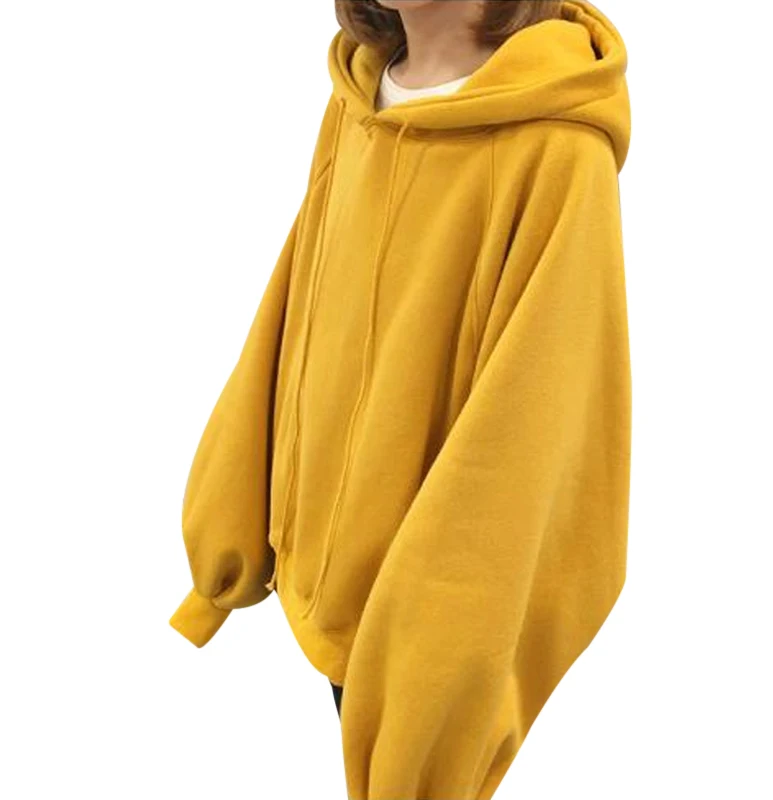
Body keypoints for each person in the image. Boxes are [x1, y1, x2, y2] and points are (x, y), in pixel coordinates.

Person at [169, 1, 633, 798]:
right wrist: (229, 530)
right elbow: (296, 305)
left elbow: (526, 445)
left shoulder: (557, 148)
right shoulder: (359, 99)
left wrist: (430, 673)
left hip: (418, 630)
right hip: (316, 588)